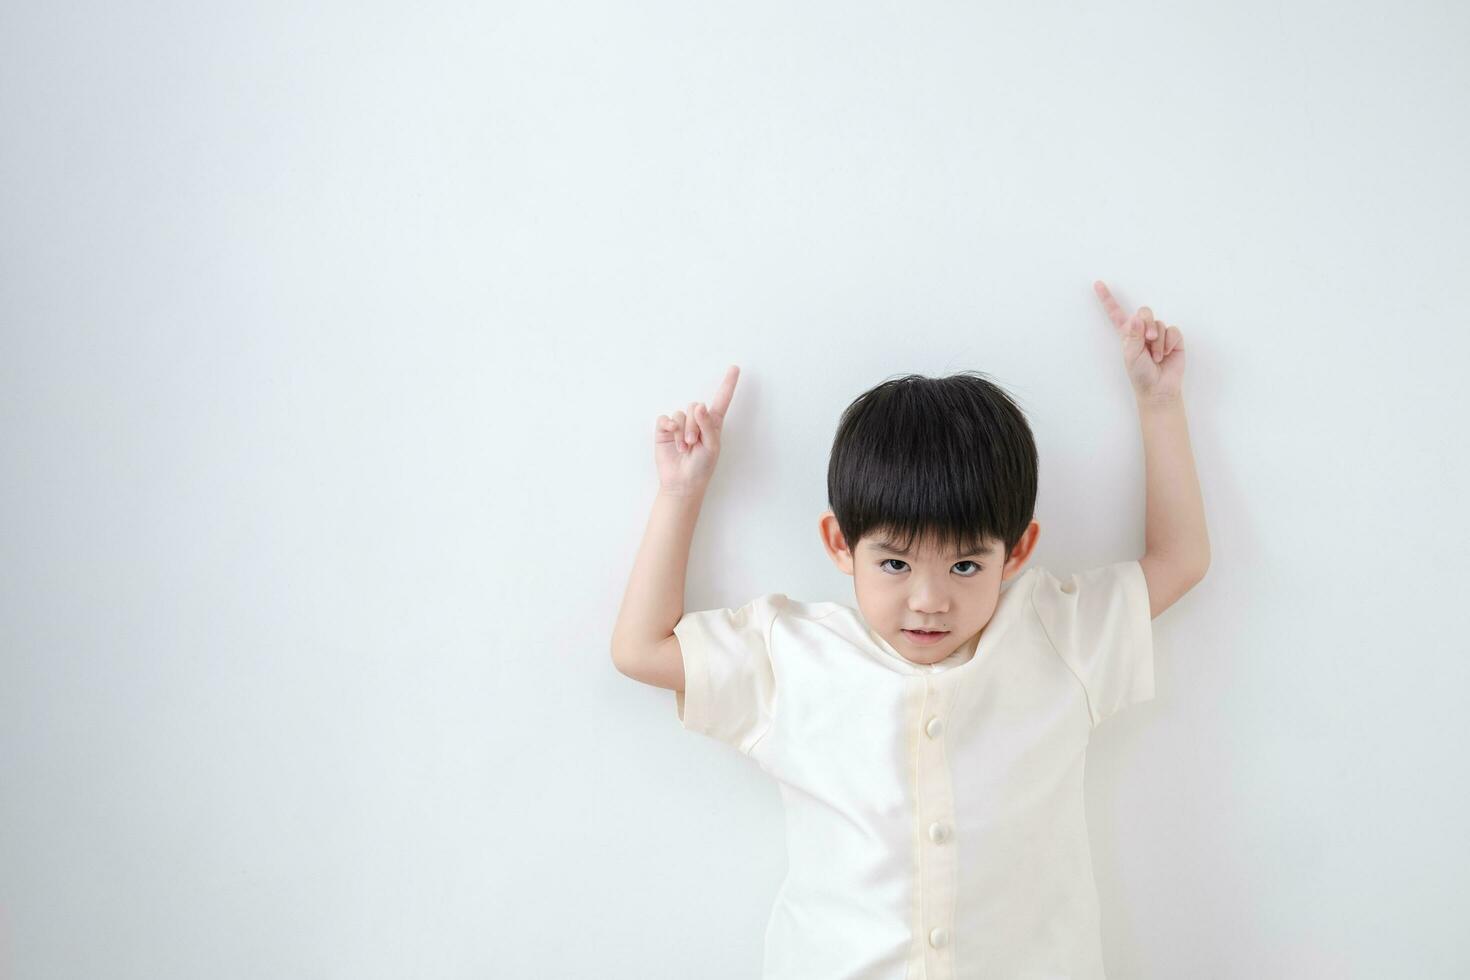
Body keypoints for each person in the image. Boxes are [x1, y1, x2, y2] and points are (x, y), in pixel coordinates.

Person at [610, 280, 1210, 979]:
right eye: (894, 562)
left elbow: (1180, 559)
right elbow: (640, 649)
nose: (928, 601)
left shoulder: (1060, 634)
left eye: (964, 565)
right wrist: (681, 492)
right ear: (841, 545)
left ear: (1016, 552)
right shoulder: (791, 657)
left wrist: (1159, 402)